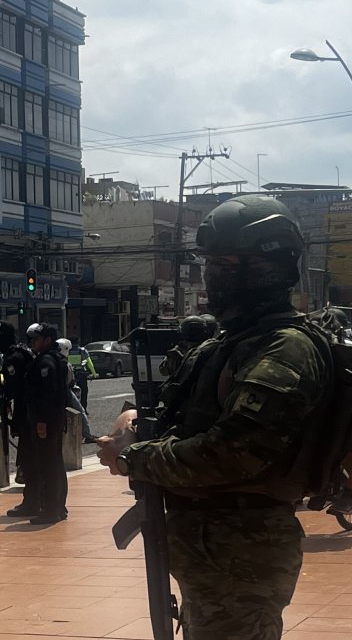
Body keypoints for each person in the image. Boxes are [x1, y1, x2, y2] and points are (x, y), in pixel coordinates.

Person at [98, 194, 330, 639]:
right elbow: (182, 420)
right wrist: (134, 427)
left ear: (263, 267)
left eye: (223, 264)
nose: (211, 277)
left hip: (240, 550)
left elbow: (234, 451)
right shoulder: (231, 342)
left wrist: (136, 459)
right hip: (212, 546)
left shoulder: (283, 347)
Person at [24, 322, 70, 525]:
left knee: (47, 465)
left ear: (48, 340)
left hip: (46, 421)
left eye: (36, 339)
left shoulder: (46, 362)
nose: (33, 342)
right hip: (55, 420)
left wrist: (41, 421)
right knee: (55, 464)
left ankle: (51, 509)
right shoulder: (55, 359)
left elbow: (46, 394)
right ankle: (58, 507)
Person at [0, 322, 38, 508]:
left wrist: (11, 415)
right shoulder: (21, 352)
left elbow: (16, 390)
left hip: (27, 412)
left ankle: (32, 501)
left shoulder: (14, 358)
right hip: (28, 410)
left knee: (29, 458)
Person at [57, 338, 97, 443]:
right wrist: (93, 373)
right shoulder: (79, 352)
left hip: (50, 393)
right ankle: (87, 435)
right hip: (66, 389)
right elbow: (88, 363)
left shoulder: (47, 358)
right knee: (80, 410)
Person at [65, 337, 97, 411]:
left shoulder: (67, 350)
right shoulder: (82, 350)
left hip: (71, 374)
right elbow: (89, 362)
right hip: (81, 374)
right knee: (84, 392)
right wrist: (94, 374)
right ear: (78, 342)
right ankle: (83, 409)